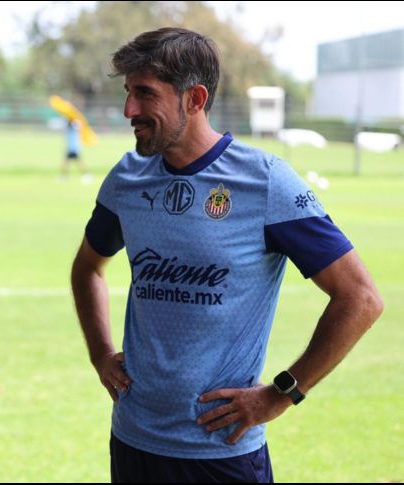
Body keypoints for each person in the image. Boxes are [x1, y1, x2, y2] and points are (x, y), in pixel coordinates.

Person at [70, 28, 383, 483]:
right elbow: (87, 270)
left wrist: (280, 395)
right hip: (134, 442)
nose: (128, 110)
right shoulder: (128, 178)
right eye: (127, 93)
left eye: (144, 94)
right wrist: (101, 354)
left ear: (194, 98)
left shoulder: (267, 183)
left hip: (222, 454)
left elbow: (360, 298)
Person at [59, 118, 93, 184]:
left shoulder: (75, 126)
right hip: (71, 147)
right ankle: (64, 175)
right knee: (67, 162)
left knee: (78, 162)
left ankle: (86, 174)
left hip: (74, 148)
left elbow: (77, 126)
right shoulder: (70, 128)